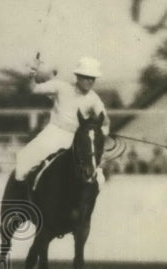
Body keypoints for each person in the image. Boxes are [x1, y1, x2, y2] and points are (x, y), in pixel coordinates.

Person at [11, 56, 109, 197]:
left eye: (93, 78)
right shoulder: (61, 86)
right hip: (53, 133)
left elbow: (105, 120)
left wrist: (101, 134)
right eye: (86, 77)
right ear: (78, 76)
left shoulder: (94, 98)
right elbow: (34, 88)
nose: (90, 81)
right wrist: (33, 72)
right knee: (23, 160)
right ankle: (24, 204)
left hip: (77, 139)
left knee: (98, 177)